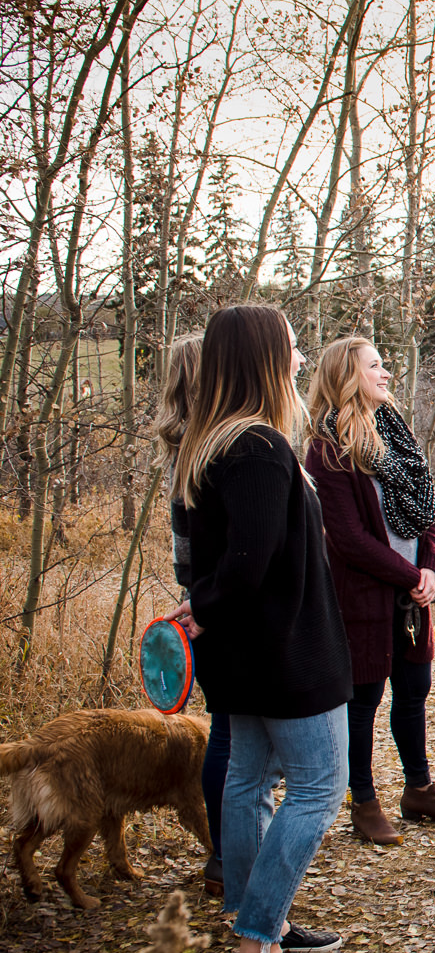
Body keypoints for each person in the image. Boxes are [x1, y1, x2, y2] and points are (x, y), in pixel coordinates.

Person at [165, 304, 352, 953]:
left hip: (244, 657)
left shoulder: (211, 443)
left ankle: (256, 916)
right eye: (293, 348)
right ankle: (258, 948)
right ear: (264, 360)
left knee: (248, 780)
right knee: (318, 789)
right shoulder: (259, 449)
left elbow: (226, 563)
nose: (300, 360)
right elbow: (249, 564)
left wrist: (204, 606)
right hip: (283, 657)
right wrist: (206, 605)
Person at [304, 336, 435, 844]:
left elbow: (426, 509)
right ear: (348, 375)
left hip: (413, 596)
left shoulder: (396, 431)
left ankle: (419, 789)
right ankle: (362, 801)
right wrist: (411, 577)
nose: (386, 374)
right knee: (362, 700)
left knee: (412, 694)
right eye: (375, 366)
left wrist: (430, 570)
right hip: (363, 597)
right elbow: (347, 539)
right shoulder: (327, 447)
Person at [155, 333, 230, 897]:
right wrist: (208, 602)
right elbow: (198, 556)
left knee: (228, 732)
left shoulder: (188, 445)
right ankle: (226, 852)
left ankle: (225, 851)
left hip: (206, 603)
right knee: (229, 737)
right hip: (214, 609)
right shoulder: (200, 453)